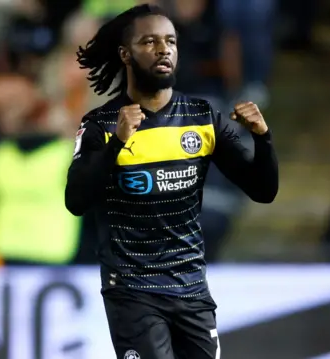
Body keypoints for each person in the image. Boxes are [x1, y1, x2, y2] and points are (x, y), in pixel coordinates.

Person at [65, 4, 279, 359]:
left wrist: (263, 139)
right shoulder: (101, 124)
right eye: (149, 42)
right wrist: (117, 143)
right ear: (126, 55)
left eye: (170, 41)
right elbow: (75, 200)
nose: (163, 49)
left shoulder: (201, 116)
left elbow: (263, 190)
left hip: (191, 289)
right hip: (133, 291)